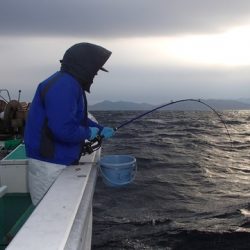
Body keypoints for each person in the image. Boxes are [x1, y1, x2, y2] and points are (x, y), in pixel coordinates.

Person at [24, 42, 115, 205]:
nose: (95, 74)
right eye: (95, 69)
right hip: (49, 163)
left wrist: (100, 129)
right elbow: (62, 129)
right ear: (84, 66)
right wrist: (88, 133)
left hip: (58, 160)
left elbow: (76, 119)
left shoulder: (69, 83)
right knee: (50, 213)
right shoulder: (64, 86)